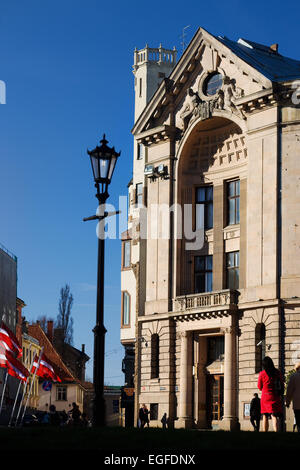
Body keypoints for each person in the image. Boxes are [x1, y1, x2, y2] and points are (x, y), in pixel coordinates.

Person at [257, 356, 284, 432]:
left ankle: (265, 432)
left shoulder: (262, 374)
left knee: (265, 415)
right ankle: (276, 431)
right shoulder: (277, 372)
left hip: (265, 396)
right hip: (274, 396)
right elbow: (281, 383)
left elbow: (259, 386)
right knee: (274, 415)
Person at [286, 362, 300, 432]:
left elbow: (289, 391)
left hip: (297, 404)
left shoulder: (293, 376)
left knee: (298, 421)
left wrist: (287, 402)